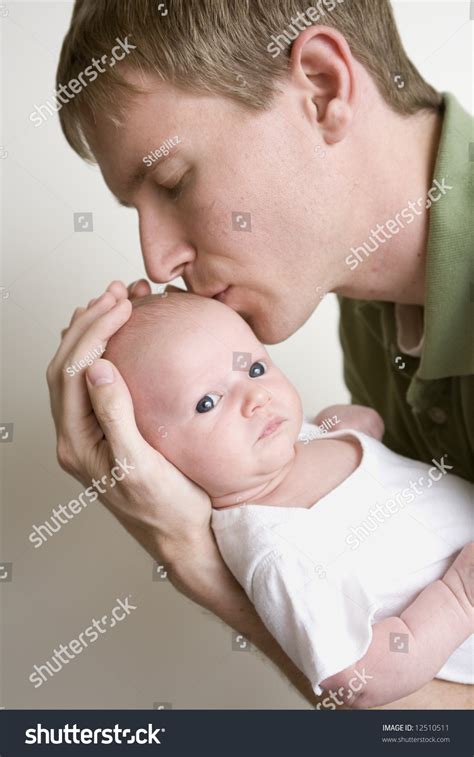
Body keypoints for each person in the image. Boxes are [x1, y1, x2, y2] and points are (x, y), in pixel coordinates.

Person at [47, 0, 473, 708]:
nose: (157, 257)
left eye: (175, 181)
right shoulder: (369, 320)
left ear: (322, 86)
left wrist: (197, 558)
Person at [104, 291, 473, 708]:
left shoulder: (295, 443)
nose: (255, 396)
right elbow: (357, 680)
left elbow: (361, 447)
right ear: (153, 460)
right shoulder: (278, 553)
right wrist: (460, 597)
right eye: (207, 402)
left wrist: (352, 426)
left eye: (255, 367)